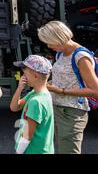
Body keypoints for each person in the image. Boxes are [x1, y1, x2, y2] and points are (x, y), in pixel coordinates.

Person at [38, 21, 98, 154]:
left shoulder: (81, 57)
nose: (48, 45)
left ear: (58, 38)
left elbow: (95, 90)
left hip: (72, 112)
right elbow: (67, 78)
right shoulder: (61, 53)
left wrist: (62, 91)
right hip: (59, 108)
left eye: (49, 42)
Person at [11, 55, 55, 154]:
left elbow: (27, 136)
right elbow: (14, 107)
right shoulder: (38, 94)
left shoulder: (36, 101)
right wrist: (19, 89)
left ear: (35, 75)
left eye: (25, 73)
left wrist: (18, 152)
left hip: (33, 151)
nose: (23, 76)